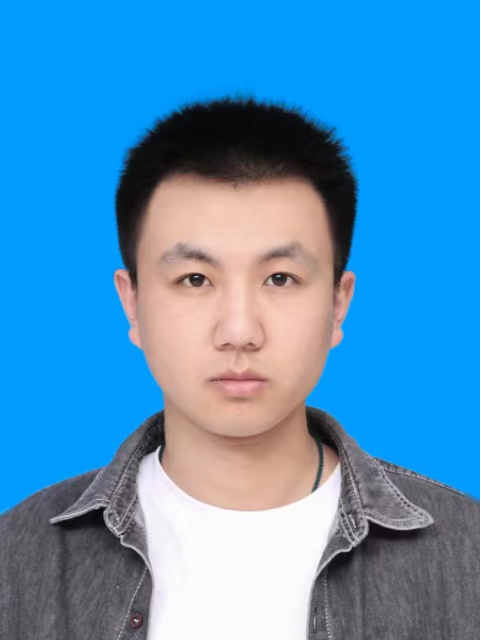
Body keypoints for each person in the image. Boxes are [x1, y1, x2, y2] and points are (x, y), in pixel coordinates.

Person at [1, 97, 479, 640]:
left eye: (280, 279)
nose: (239, 331)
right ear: (132, 303)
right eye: (195, 280)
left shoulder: (466, 554)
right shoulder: (17, 560)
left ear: (338, 305)